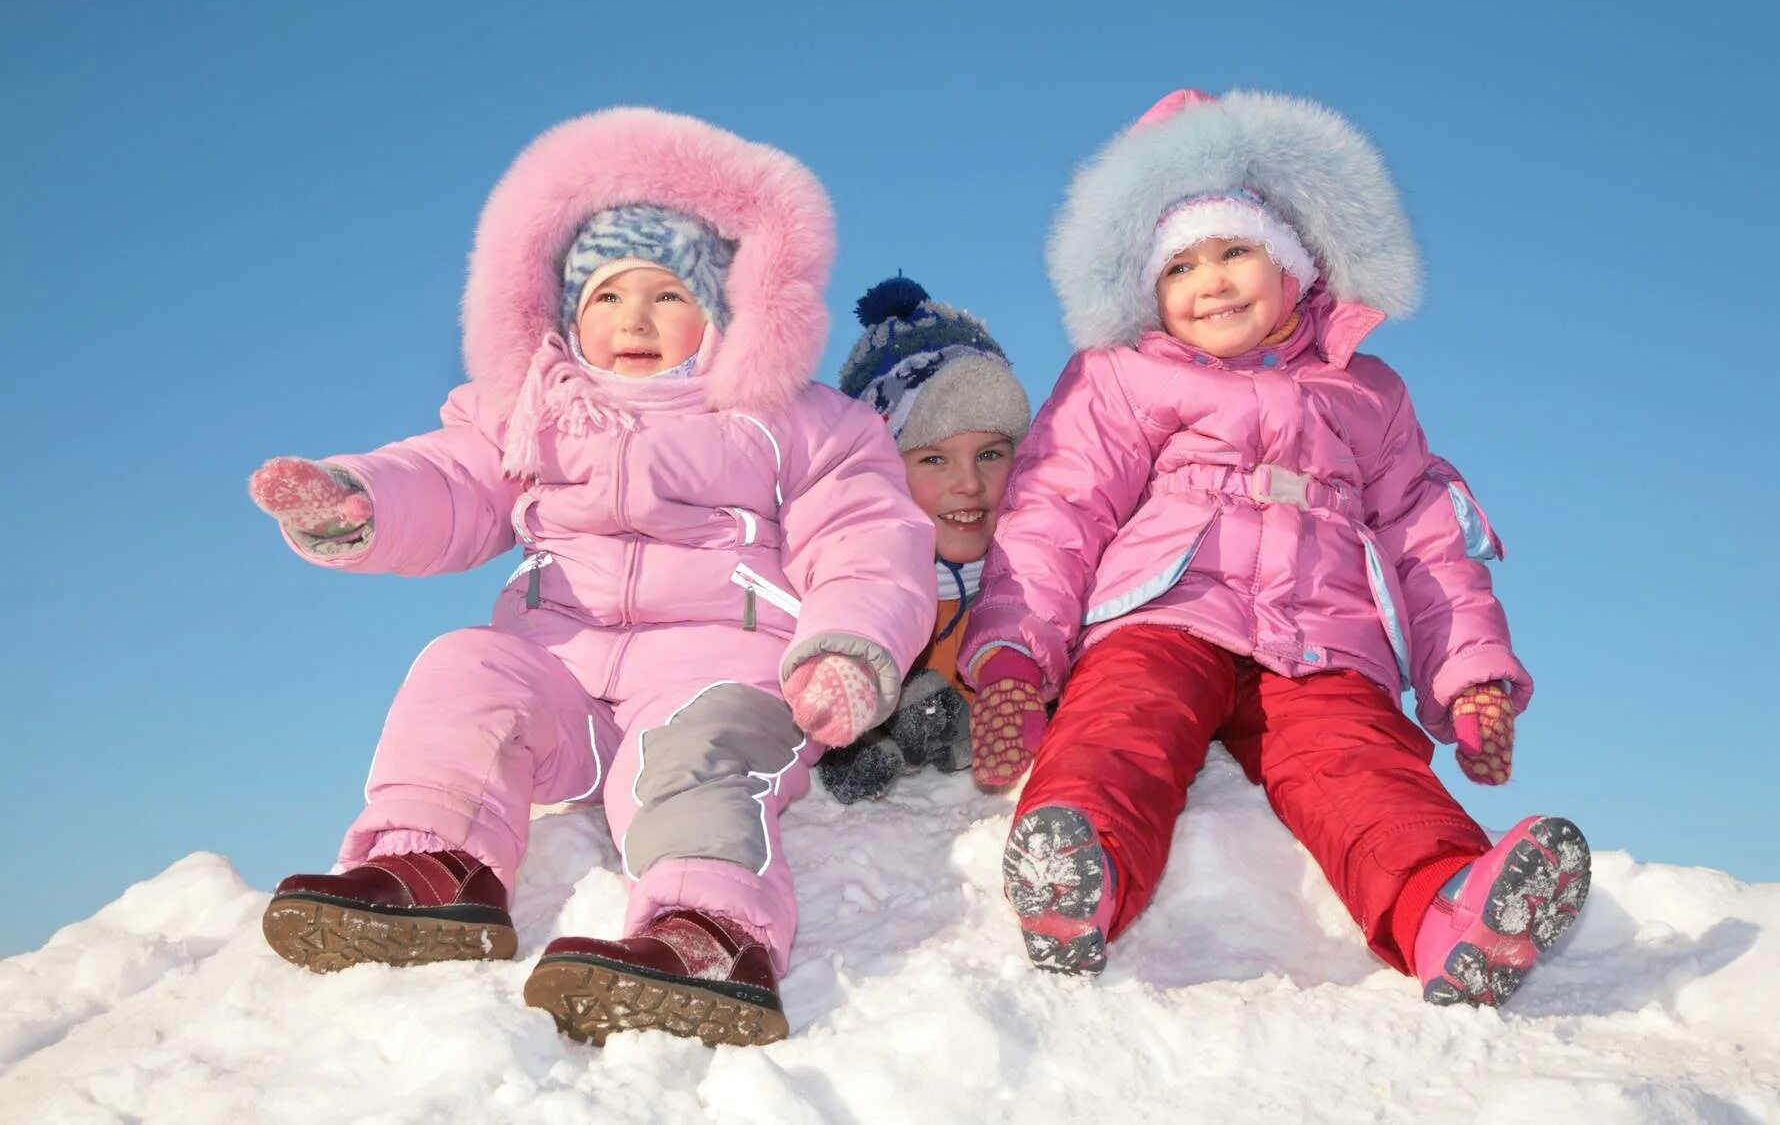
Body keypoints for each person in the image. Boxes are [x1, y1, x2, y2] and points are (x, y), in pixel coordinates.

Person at [247, 108, 935, 1046]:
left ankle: (709, 927)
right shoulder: (527, 410)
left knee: (701, 753)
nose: (635, 320)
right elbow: (448, 482)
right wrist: (356, 498)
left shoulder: (794, 421)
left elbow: (862, 535)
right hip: (561, 676)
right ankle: (433, 863)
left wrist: (847, 645)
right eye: (607, 297)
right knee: (463, 668)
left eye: (666, 294)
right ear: (566, 314)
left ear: (726, 309)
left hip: (716, 672)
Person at [961, 89, 1589, 1008]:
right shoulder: (1123, 377)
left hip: (1323, 640)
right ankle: (1078, 870)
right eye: (1178, 265)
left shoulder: (1364, 392)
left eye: (1234, 250)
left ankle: (1445, 908)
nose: (1208, 280)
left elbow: (1425, 539)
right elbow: (1057, 507)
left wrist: (1470, 675)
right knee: (1124, 720)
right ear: (1144, 289)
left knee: (1359, 767)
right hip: (1165, 609)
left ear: (1295, 265)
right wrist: (1018, 651)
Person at [814, 276, 1031, 803]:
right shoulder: (847, 589)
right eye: (933, 458)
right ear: (883, 468)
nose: (969, 484)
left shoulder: (1041, 584)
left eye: (990, 454)